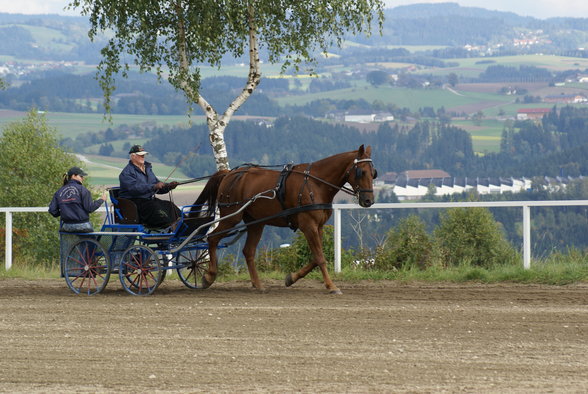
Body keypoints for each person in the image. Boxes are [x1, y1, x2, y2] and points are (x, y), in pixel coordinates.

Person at [119, 145, 180, 228]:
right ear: (133, 156)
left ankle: (183, 224)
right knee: (155, 208)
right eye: (140, 155)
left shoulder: (147, 169)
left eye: (143, 155)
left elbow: (157, 185)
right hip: (135, 203)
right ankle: (169, 227)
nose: (143, 157)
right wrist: (154, 186)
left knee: (170, 206)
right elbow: (134, 189)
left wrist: (168, 186)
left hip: (148, 200)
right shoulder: (126, 173)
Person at [49, 166, 108, 233]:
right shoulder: (83, 190)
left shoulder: (59, 191)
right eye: (81, 176)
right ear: (74, 176)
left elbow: (52, 210)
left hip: (66, 226)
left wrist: (64, 212)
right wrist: (101, 200)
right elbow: (90, 208)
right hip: (82, 225)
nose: (83, 178)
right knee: (92, 243)